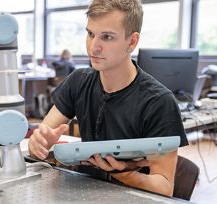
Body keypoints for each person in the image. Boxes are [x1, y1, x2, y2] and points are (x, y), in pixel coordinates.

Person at [28, 0, 188, 197]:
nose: (93, 47)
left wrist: (123, 174)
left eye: (107, 37)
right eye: (90, 34)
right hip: (84, 194)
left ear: (132, 42)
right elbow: (38, 145)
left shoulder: (159, 102)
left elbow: (164, 187)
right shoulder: (78, 81)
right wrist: (38, 144)